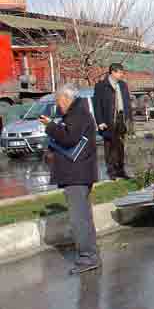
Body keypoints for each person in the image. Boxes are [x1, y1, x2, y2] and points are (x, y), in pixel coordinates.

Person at [39, 84, 100, 274]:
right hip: (78, 173)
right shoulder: (78, 113)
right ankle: (91, 255)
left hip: (76, 174)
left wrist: (50, 126)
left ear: (66, 99)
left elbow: (69, 139)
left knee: (79, 219)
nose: (58, 106)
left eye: (59, 102)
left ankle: (86, 258)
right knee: (83, 217)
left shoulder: (78, 114)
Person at [93, 63, 132, 180]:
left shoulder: (123, 85)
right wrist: (100, 121)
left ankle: (121, 170)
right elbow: (97, 105)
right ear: (113, 72)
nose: (122, 75)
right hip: (108, 120)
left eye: (122, 72)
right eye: (120, 72)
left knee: (120, 146)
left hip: (121, 118)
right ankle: (111, 172)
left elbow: (127, 104)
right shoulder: (101, 85)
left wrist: (129, 120)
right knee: (109, 147)